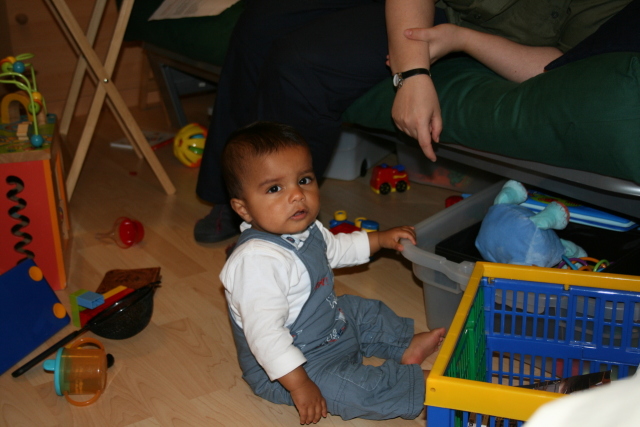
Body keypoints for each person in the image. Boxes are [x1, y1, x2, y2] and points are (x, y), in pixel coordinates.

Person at [194, 0, 632, 243]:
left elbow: (557, 66)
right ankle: (232, 195)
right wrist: (412, 73)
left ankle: (283, 229)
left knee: (299, 64)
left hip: (466, 26)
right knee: (261, 22)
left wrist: (462, 40)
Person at [218, 121, 445, 423]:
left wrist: (378, 239)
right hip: (295, 366)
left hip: (330, 325)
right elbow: (267, 338)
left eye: (304, 180)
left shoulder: (307, 230)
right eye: (275, 188)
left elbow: (337, 248)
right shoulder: (255, 263)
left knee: (361, 309)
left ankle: (405, 345)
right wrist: (300, 386)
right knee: (356, 390)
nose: (297, 195)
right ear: (243, 209)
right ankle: (417, 389)